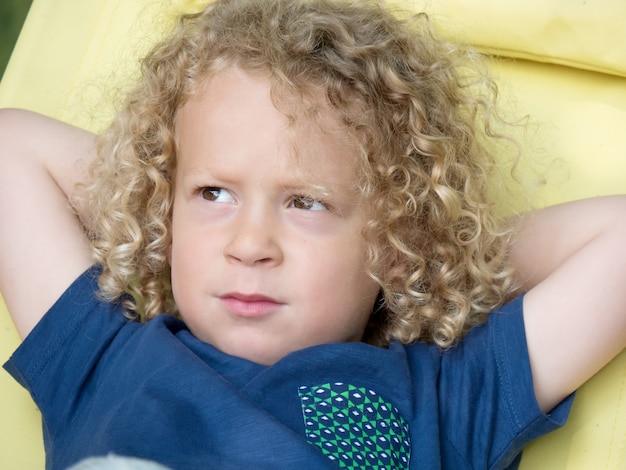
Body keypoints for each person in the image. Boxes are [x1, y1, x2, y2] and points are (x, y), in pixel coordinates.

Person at [0, 0, 624, 468]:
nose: (249, 245)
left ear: (395, 239)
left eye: (306, 203)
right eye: (212, 194)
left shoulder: (447, 399)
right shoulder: (103, 360)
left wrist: (435, 248)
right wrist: (146, 196)